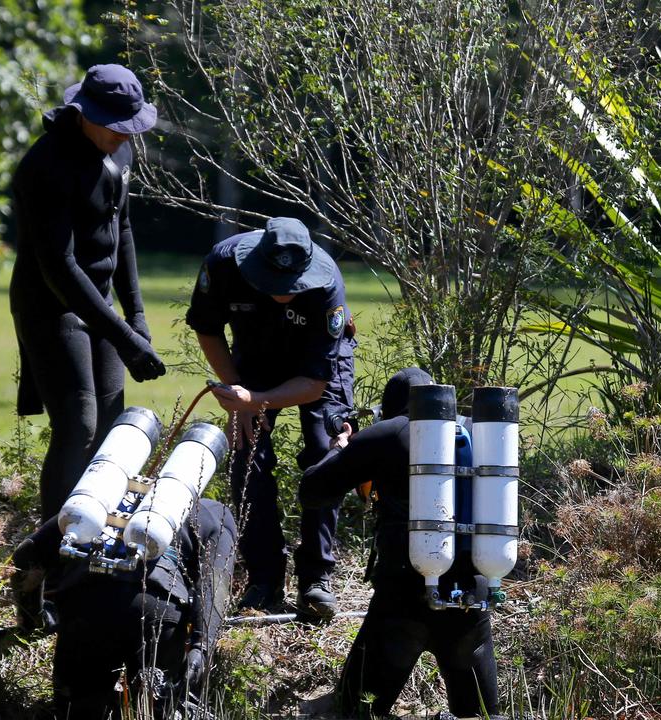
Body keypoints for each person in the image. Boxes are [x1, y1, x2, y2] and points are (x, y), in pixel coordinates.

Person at [10, 63, 167, 522]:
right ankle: (53, 551)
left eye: (131, 127)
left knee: (111, 428)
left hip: (101, 304)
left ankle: (96, 533)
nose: (126, 136)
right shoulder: (44, 166)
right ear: (85, 114)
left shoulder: (118, 152)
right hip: (52, 305)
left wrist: (135, 316)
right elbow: (59, 267)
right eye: (117, 127)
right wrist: (124, 337)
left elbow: (123, 228)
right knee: (78, 426)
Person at [298, 368, 502, 720]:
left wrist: (340, 449)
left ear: (392, 407)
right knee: (481, 718)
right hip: (472, 595)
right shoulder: (477, 433)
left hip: (403, 596)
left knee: (355, 713)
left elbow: (312, 492)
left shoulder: (388, 433)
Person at [185, 216, 356, 617]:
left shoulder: (327, 283)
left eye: (293, 285)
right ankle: (264, 579)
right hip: (254, 359)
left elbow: (315, 384)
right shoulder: (224, 263)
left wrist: (255, 399)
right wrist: (237, 394)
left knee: (324, 452)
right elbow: (207, 329)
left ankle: (316, 578)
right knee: (247, 456)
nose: (284, 294)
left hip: (316, 364)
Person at [10, 498, 237, 719]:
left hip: (87, 603)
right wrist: (201, 647)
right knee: (152, 710)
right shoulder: (214, 511)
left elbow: (27, 554)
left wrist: (33, 618)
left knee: (76, 711)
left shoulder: (103, 496)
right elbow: (214, 586)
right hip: (158, 608)